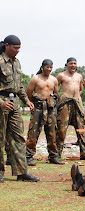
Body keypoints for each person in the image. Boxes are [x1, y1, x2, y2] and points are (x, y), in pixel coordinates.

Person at [0, 35, 39, 182]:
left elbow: (19, 86)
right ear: (7, 45)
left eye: (19, 49)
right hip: (2, 102)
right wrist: (1, 103)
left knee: (18, 137)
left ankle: (22, 172)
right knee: (0, 138)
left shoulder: (17, 63)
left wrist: (26, 100)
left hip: (14, 102)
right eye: (15, 48)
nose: (17, 51)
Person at [25, 59, 64, 166]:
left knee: (52, 133)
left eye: (51, 67)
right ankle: (28, 157)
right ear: (43, 67)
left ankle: (53, 156)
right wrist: (33, 103)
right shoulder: (35, 79)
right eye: (47, 67)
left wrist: (56, 105)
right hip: (38, 108)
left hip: (51, 109)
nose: (49, 69)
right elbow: (28, 93)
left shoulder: (54, 80)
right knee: (33, 132)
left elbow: (56, 94)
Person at [55, 57, 85, 161]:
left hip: (77, 104)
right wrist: (60, 98)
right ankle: (57, 154)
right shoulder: (61, 75)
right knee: (61, 130)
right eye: (71, 63)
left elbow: (80, 89)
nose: (73, 65)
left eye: (75, 63)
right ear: (66, 64)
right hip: (65, 104)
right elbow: (55, 88)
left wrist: (76, 97)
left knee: (81, 129)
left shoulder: (79, 76)